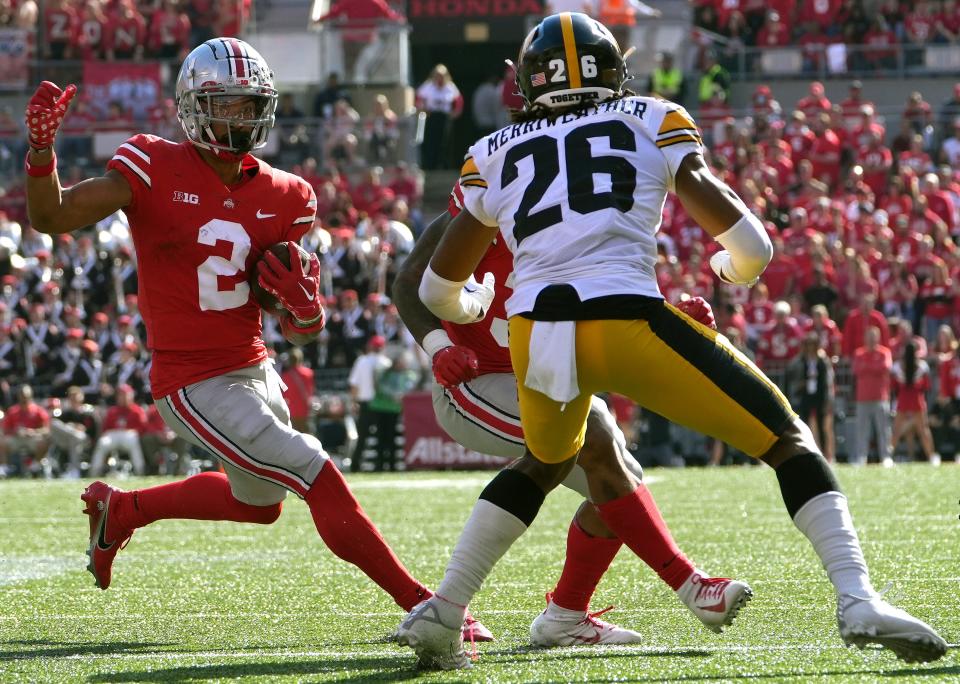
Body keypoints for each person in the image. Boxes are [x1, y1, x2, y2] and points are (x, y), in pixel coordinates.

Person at [397, 13, 946, 669]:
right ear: (615, 71)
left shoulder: (493, 150)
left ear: (528, 82)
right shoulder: (648, 116)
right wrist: (726, 271)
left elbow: (433, 290)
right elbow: (753, 246)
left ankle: (445, 610)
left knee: (545, 463)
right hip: (627, 322)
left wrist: (469, 303)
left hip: (537, 340)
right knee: (788, 439)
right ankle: (856, 596)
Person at [22, 39, 487, 640]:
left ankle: (125, 509)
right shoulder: (149, 165)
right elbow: (52, 217)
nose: (240, 118)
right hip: (191, 378)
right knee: (314, 469)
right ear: (194, 105)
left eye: (250, 105)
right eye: (227, 104)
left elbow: (300, 326)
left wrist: (305, 308)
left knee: (259, 504)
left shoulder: (289, 196)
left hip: (255, 367)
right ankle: (424, 604)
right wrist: (40, 152)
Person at [394, 182, 750, 651]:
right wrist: (439, 346)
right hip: (477, 378)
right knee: (596, 436)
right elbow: (409, 283)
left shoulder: (584, 220)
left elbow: (611, 311)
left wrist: (670, 325)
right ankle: (691, 585)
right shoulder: (482, 209)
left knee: (620, 485)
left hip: (544, 371)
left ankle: (564, 615)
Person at [890, 340, 940, 465]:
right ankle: (932, 457)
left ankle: (888, 457)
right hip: (917, 401)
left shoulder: (897, 367)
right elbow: (926, 386)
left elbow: (894, 387)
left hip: (903, 400)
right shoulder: (922, 367)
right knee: (923, 430)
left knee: (896, 431)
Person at [851, 326, 894, 467]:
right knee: (862, 430)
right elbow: (857, 370)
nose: (871, 340)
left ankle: (886, 457)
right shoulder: (859, 353)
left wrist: (868, 367)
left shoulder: (884, 352)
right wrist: (873, 367)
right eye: (868, 336)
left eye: (873, 336)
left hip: (880, 397)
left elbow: (885, 367)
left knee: (883, 430)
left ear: (878, 338)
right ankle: (861, 457)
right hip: (862, 398)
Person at [348, 334, 390, 471]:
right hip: (382, 404)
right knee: (382, 436)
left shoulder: (362, 361)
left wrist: (353, 402)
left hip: (365, 403)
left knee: (362, 438)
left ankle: (355, 465)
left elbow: (354, 384)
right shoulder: (386, 362)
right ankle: (381, 465)